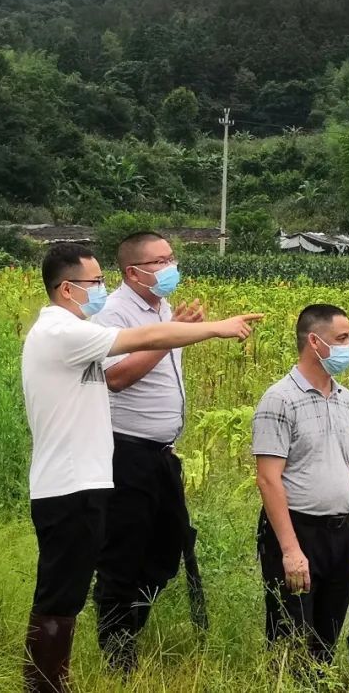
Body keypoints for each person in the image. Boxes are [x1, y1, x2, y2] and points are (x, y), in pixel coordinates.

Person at [21, 242, 261, 693]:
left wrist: (177, 327)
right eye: (95, 283)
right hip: (68, 483)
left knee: (67, 591)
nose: (102, 290)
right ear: (67, 288)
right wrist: (215, 329)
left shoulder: (72, 331)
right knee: (60, 592)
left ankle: (53, 681)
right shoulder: (60, 332)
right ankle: (44, 685)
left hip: (86, 478)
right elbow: (142, 342)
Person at [89, 231, 203, 672]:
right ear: (133, 272)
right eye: (159, 262)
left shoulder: (164, 309)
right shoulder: (112, 315)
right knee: (123, 552)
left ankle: (128, 627)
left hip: (162, 454)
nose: (170, 267)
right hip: (126, 451)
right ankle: (118, 653)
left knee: (164, 551)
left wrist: (174, 330)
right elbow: (116, 378)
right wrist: (172, 338)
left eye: (171, 257)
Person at [252, 304, 349, 668]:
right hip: (298, 531)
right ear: (314, 342)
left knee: (325, 640)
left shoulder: (348, 401)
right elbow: (268, 478)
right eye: (342, 338)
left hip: (339, 535)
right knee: (291, 639)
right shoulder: (279, 399)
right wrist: (291, 551)